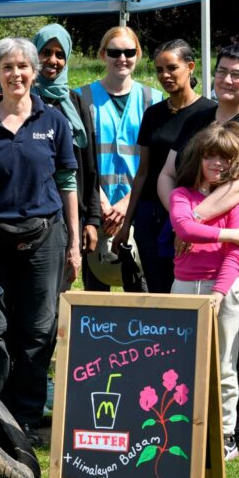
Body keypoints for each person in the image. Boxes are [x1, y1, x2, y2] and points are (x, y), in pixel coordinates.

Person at [157, 43, 239, 446]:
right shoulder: (196, 117)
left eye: (238, 75)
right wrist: (181, 219)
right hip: (190, 224)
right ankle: (184, 413)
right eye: (223, 71)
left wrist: (191, 222)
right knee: (184, 326)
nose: (228, 80)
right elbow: (167, 174)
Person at [0, 37, 78, 448]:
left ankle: (24, 417)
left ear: (34, 71)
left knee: (37, 330)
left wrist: (74, 243)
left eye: (23, 66)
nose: (16, 74)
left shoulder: (54, 121)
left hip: (44, 239)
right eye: (7, 67)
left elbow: (67, 183)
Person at [168, 122, 239, 461]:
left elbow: (237, 255)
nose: (216, 164)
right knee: (180, 364)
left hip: (224, 291)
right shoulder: (181, 195)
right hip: (185, 288)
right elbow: (183, 227)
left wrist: (219, 292)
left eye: (224, 158)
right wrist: (227, 235)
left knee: (223, 365)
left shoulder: (237, 204)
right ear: (198, 159)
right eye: (210, 156)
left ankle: (225, 436)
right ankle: (181, 431)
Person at [117, 40, 215, 292]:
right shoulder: (153, 114)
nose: (165, 76)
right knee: (157, 289)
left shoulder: (210, 113)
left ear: (190, 67)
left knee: (188, 288)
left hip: (192, 215)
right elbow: (143, 172)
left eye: (172, 68)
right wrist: (127, 224)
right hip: (150, 215)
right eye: (159, 70)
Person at [75, 26, 162, 290]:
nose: (121, 58)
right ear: (102, 55)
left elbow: (157, 161)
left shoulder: (153, 98)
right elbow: (78, 158)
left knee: (141, 293)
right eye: (114, 52)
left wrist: (126, 205)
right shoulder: (81, 97)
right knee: (97, 293)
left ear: (138, 55)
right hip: (96, 210)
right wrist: (99, 201)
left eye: (129, 52)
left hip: (138, 208)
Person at [31, 24, 99, 288]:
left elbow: (90, 166)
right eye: (45, 52)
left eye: (60, 54)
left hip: (70, 214)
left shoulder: (75, 102)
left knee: (61, 290)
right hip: (32, 214)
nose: (52, 61)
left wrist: (91, 220)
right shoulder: (22, 97)